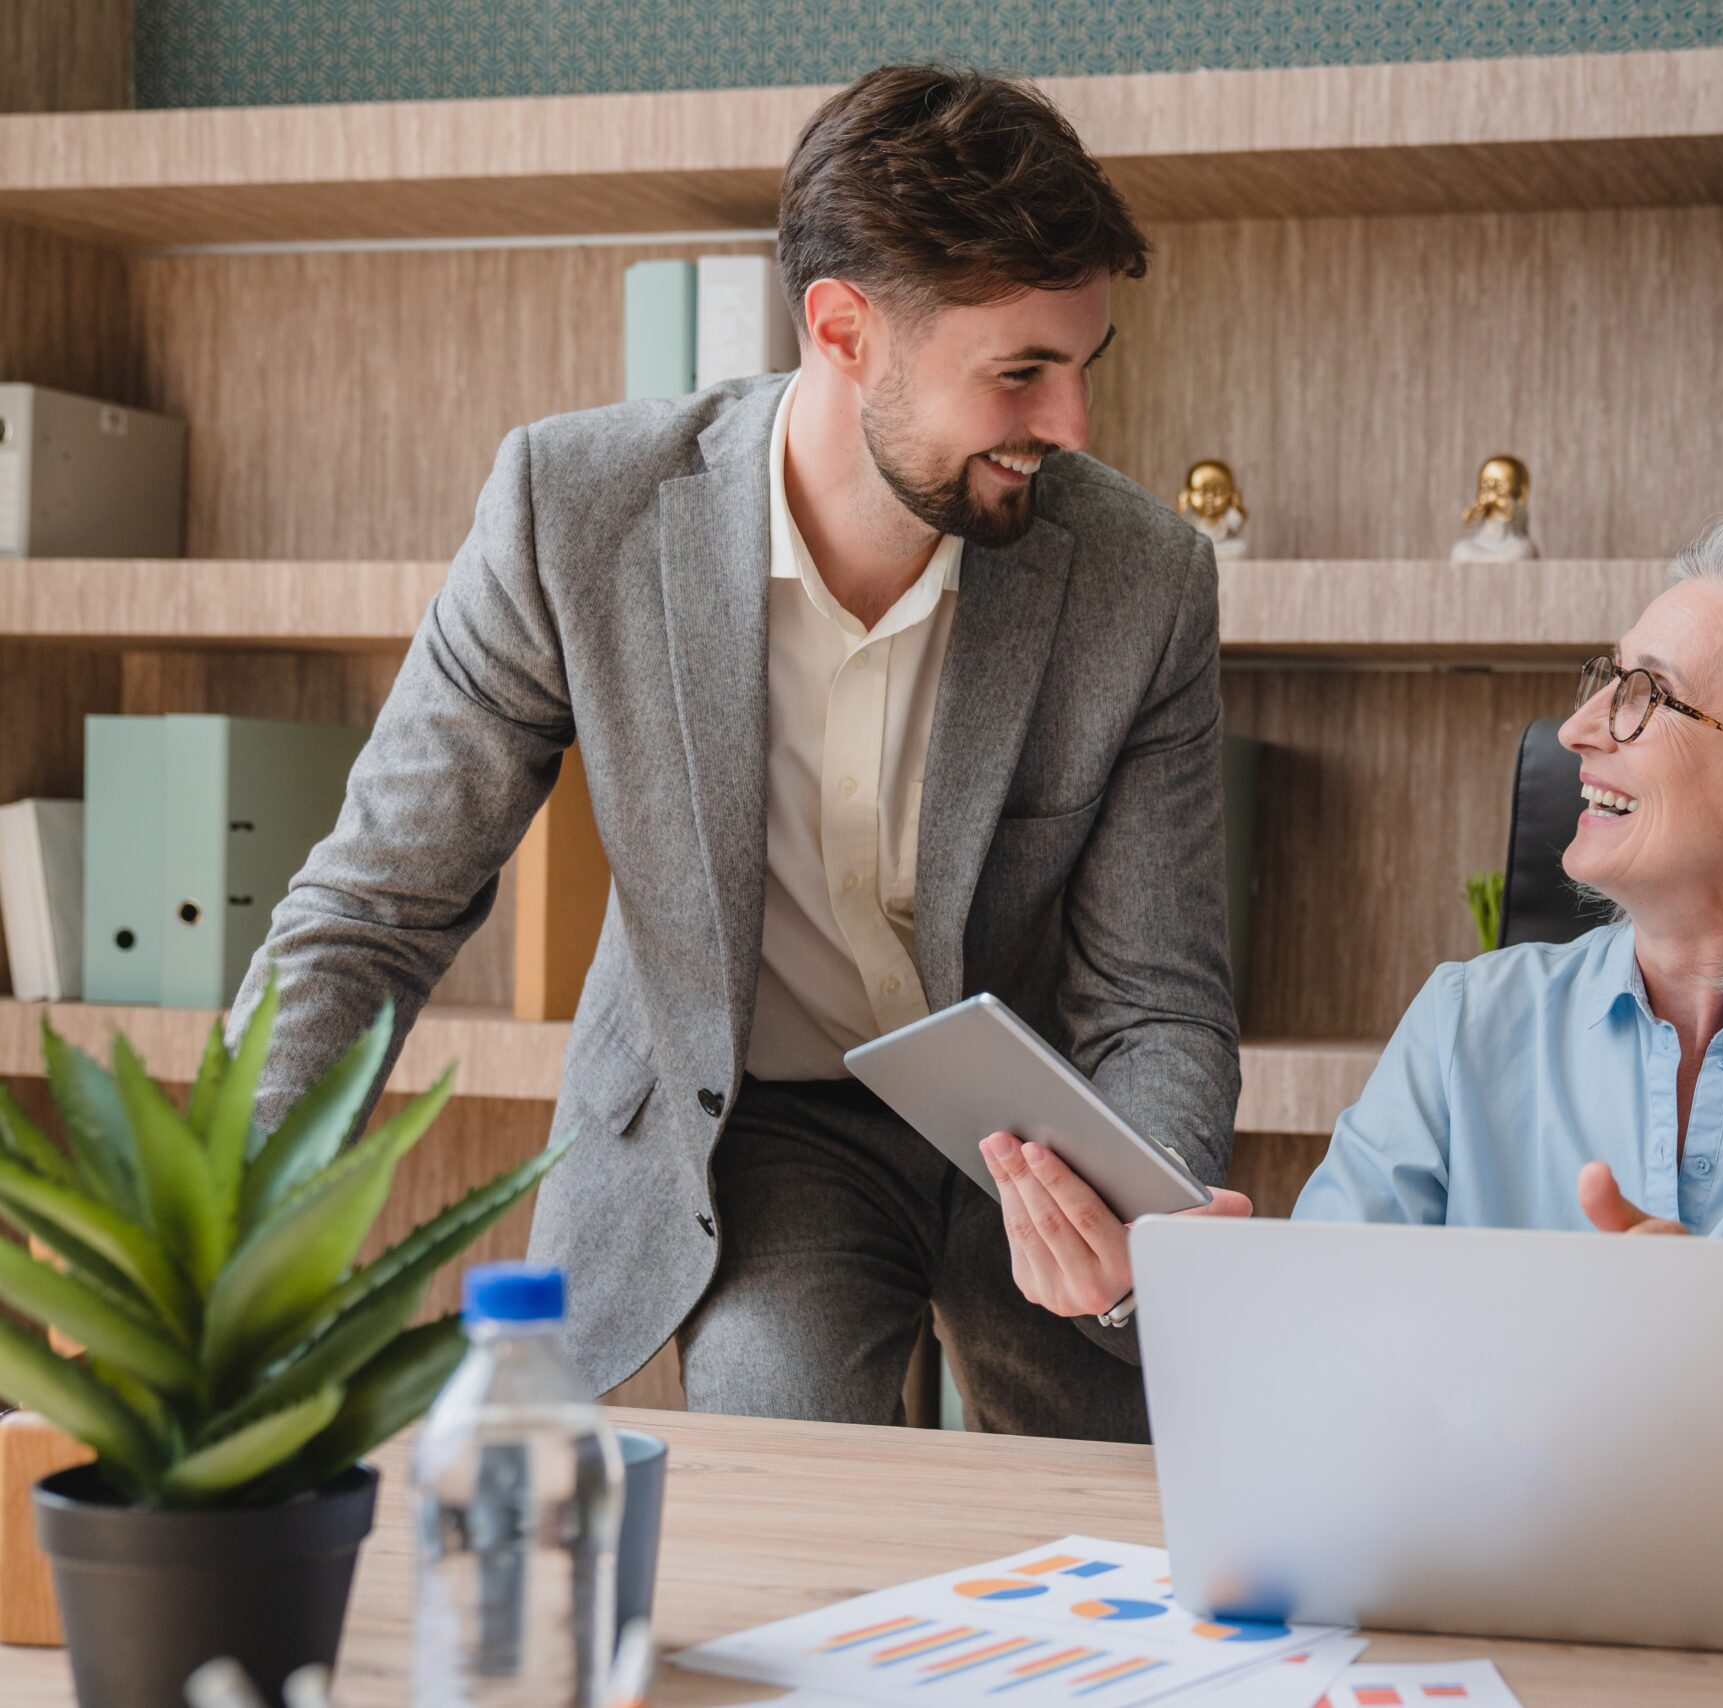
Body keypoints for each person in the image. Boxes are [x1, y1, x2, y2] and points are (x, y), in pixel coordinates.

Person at [230, 66, 1240, 1441]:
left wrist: (1140, 1231)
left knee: (1123, 1502)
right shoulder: (572, 513)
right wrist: (231, 1245)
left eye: (1083, 366)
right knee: (783, 1445)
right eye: (1021, 373)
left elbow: (1157, 1001)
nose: (1073, 428)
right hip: (761, 1127)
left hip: (1049, 1131)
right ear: (842, 329)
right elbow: (371, 912)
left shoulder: (1143, 577)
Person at [982, 519, 1723, 1505]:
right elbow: (1319, 1360)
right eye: (1604, 682)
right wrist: (1167, 1285)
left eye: (1645, 696)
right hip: (1477, 1574)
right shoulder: (1467, 1023)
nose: (1578, 728)